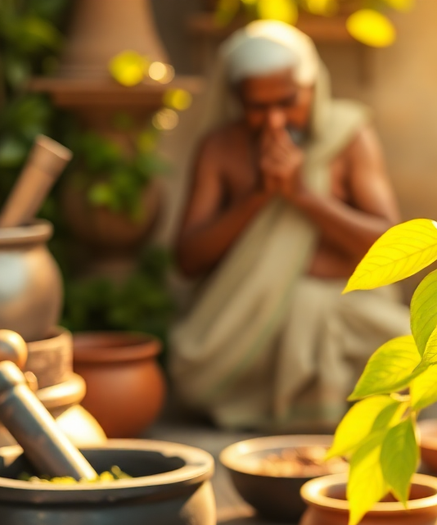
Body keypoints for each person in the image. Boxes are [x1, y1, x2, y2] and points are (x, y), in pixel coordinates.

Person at [169, 20, 409, 430]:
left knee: (410, 352)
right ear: (236, 100)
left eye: (286, 102)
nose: (274, 122)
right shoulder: (220, 148)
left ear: (313, 88)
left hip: (350, 316)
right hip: (248, 325)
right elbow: (188, 259)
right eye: (257, 108)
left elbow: (392, 244)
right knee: (192, 377)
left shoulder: (348, 135)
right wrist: (258, 197)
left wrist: (302, 195)